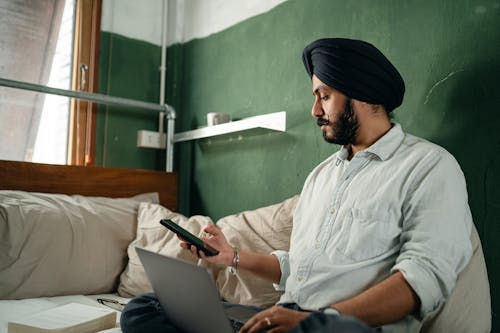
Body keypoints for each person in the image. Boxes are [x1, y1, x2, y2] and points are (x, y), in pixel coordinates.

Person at [120, 38, 473, 333]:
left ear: (363, 94)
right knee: (144, 308)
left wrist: (315, 320)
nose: (314, 110)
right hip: (289, 314)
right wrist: (231, 257)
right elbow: (300, 268)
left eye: (325, 95)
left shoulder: (429, 166)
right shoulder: (321, 176)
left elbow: (422, 280)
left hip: (342, 327)